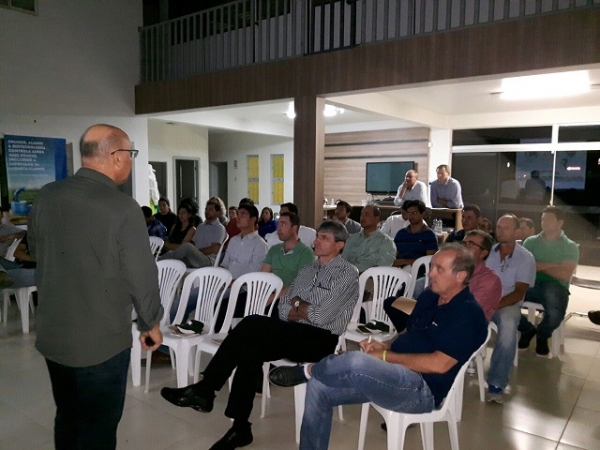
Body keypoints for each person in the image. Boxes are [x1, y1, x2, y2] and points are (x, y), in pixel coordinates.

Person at [160, 221, 359, 450]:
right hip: (294, 332)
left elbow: (322, 317)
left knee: (252, 323)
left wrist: (298, 307)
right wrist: (300, 307)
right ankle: (240, 427)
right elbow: (283, 308)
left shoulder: (347, 273)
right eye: (318, 236)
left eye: (324, 238)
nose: (316, 241)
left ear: (339, 245)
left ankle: (206, 390)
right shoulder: (307, 270)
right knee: (250, 349)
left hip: (320, 340)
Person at [269, 244, 487, 450]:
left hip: (422, 390)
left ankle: (308, 369)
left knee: (354, 361)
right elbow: (409, 332)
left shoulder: (467, 314)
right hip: (391, 376)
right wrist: (385, 345)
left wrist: (384, 356)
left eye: (439, 269)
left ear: (461, 276)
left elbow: (439, 364)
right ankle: (315, 379)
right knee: (319, 386)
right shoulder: (431, 296)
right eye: (432, 267)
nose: (430, 274)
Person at [28, 124, 164, 449]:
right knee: (98, 431)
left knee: (68, 417)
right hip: (101, 344)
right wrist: (151, 324)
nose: (131, 161)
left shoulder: (46, 195)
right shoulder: (122, 207)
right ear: (116, 158)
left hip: (54, 336)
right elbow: (141, 276)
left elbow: (35, 250)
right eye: (130, 154)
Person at [485, 214, 536, 404]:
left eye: (506, 227)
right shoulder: (487, 252)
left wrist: (493, 305)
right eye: (498, 227)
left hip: (508, 303)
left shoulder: (525, 258)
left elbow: (518, 293)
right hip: (484, 299)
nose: (501, 231)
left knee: (507, 325)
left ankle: (496, 383)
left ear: (516, 232)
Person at [518, 206, 579, 356]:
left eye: (549, 220)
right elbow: (525, 267)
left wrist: (539, 265)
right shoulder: (530, 242)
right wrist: (555, 264)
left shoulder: (570, 246)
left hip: (556, 286)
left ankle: (542, 334)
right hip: (529, 283)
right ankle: (527, 329)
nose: (544, 222)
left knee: (554, 313)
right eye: (543, 219)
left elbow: (565, 275)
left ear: (560, 223)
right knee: (503, 299)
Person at [160, 200, 227, 268]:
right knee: (174, 262)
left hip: (207, 260)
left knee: (187, 246)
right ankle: (157, 263)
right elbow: (194, 244)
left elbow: (214, 249)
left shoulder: (219, 228)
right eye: (206, 209)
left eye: (210, 209)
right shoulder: (201, 226)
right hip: (193, 258)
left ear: (218, 213)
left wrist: (195, 252)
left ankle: (156, 260)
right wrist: (192, 253)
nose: (207, 211)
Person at [461, 230, 502, 321]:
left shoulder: (490, 280)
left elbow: (467, 311)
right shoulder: (453, 270)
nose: (464, 248)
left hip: (466, 326)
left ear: (483, 253)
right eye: (463, 243)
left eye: (470, 244)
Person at [341, 205, 395, 273]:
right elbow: (343, 260)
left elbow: (382, 268)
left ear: (376, 219)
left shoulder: (386, 242)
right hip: (348, 276)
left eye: (367, 215)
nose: (362, 217)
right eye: (361, 214)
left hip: (371, 279)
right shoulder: (352, 239)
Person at [392, 200, 438, 269]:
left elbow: (429, 261)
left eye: (414, 213)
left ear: (422, 214)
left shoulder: (429, 235)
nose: (411, 216)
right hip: (400, 271)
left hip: (420, 271)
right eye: (409, 213)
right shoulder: (401, 234)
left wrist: (405, 262)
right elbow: (394, 258)